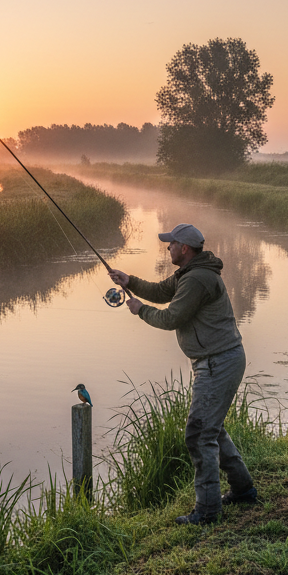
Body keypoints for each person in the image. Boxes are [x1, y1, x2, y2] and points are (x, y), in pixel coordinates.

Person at [108, 223, 258, 525]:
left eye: (171, 244)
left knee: (199, 434)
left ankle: (208, 511)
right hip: (216, 360)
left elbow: (171, 317)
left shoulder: (198, 279)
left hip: (218, 362)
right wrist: (130, 281)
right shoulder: (189, 274)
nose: (168, 248)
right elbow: (162, 292)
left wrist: (140, 310)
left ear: (184, 249)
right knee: (211, 429)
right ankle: (242, 491)